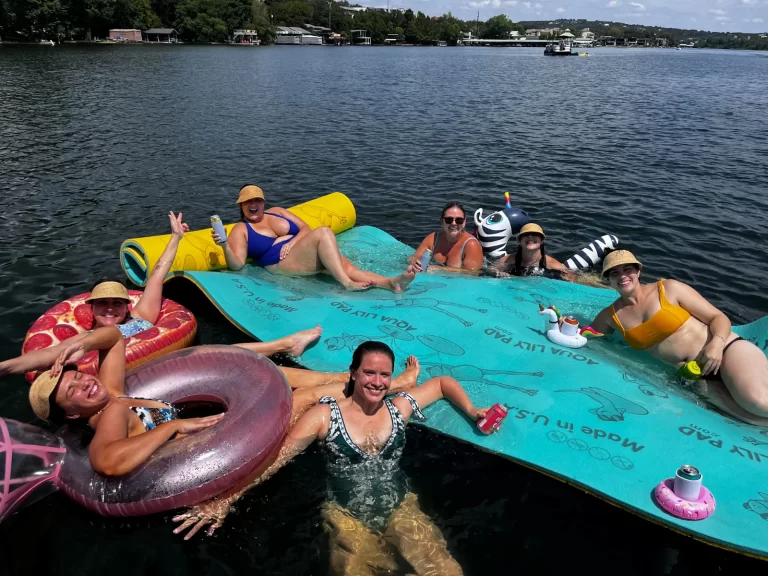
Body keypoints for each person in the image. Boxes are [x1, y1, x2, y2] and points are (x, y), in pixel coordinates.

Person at [172, 341, 493, 576]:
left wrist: (473, 410)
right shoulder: (324, 417)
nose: (377, 381)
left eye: (384, 375)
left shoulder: (399, 409)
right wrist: (226, 499)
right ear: (353, 374)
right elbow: (276, 460)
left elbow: (440, 384)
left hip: (400, 507)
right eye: (369, 372)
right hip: (346, 516)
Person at [0, 330, 422, 476]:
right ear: (72, 414)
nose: (82, 385)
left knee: (279, 375)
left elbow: (112, 339)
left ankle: (362, 381)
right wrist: (171, 427)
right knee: (303, 396)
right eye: (71, 392)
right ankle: (376, 387)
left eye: (78, 376)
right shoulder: (109, 413)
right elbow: (107, 461)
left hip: (201, 420)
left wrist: (77, 345)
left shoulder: (108, 391)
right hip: (196, 448)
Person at [590, 250, 768, 426]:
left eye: (627, 269)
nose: (622, 276)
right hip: (697, 378)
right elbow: (589, 336)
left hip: (726, 351)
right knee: (750, 418)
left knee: (757, 402)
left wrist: (717, 343)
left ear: (638, 271)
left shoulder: (668, 289)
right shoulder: (610, 316)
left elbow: (718, 317)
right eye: (614, 272)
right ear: (608, 279)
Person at [213, 185, 415, 292]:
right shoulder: (241, 229)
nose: (253, 204)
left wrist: (292, 241)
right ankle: (346, 283)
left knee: (351, 268)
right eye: (247, 202)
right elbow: (237, 265)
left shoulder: (277, 212)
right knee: (324, 233)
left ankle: (391, 283)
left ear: (263, 202)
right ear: (240, 206)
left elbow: (304, 228)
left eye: (257, 200)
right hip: (281, 263)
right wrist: (224, 245)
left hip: (301, 249)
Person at [411, 202, 483, 273]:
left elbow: (474, 273)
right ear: (442, 221)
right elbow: (414, 258)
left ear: (464, 223)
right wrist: (415, 263)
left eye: (459, 220)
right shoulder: (433, 238)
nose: (454, 223)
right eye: (449, 220)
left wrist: (441, 270)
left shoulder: (471, 244)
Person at [489, 223, 573, 281]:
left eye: (535, 234)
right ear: (520, 241)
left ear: (542, 241)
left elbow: (571, 278)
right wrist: (498, 273)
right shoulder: (508, 260)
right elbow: (489, 270)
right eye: (526, 234)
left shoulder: (552, 264)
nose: (530, 236)